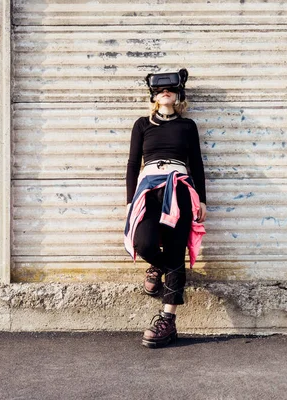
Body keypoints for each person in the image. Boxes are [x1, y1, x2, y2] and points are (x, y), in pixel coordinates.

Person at [124, 69, 207, 348]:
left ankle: (167, 321)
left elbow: (196, 164)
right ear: (153, 96)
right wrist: (129, 202)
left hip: (180, 190)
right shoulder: (142, 125)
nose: (165, 92)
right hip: (148, 191)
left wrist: (203, 200)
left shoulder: (187, 126)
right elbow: (133, 165)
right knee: (144, 243)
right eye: (159, 90)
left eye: (170, 89)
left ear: (179, 93)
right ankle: (158, 267)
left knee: (174, 250)